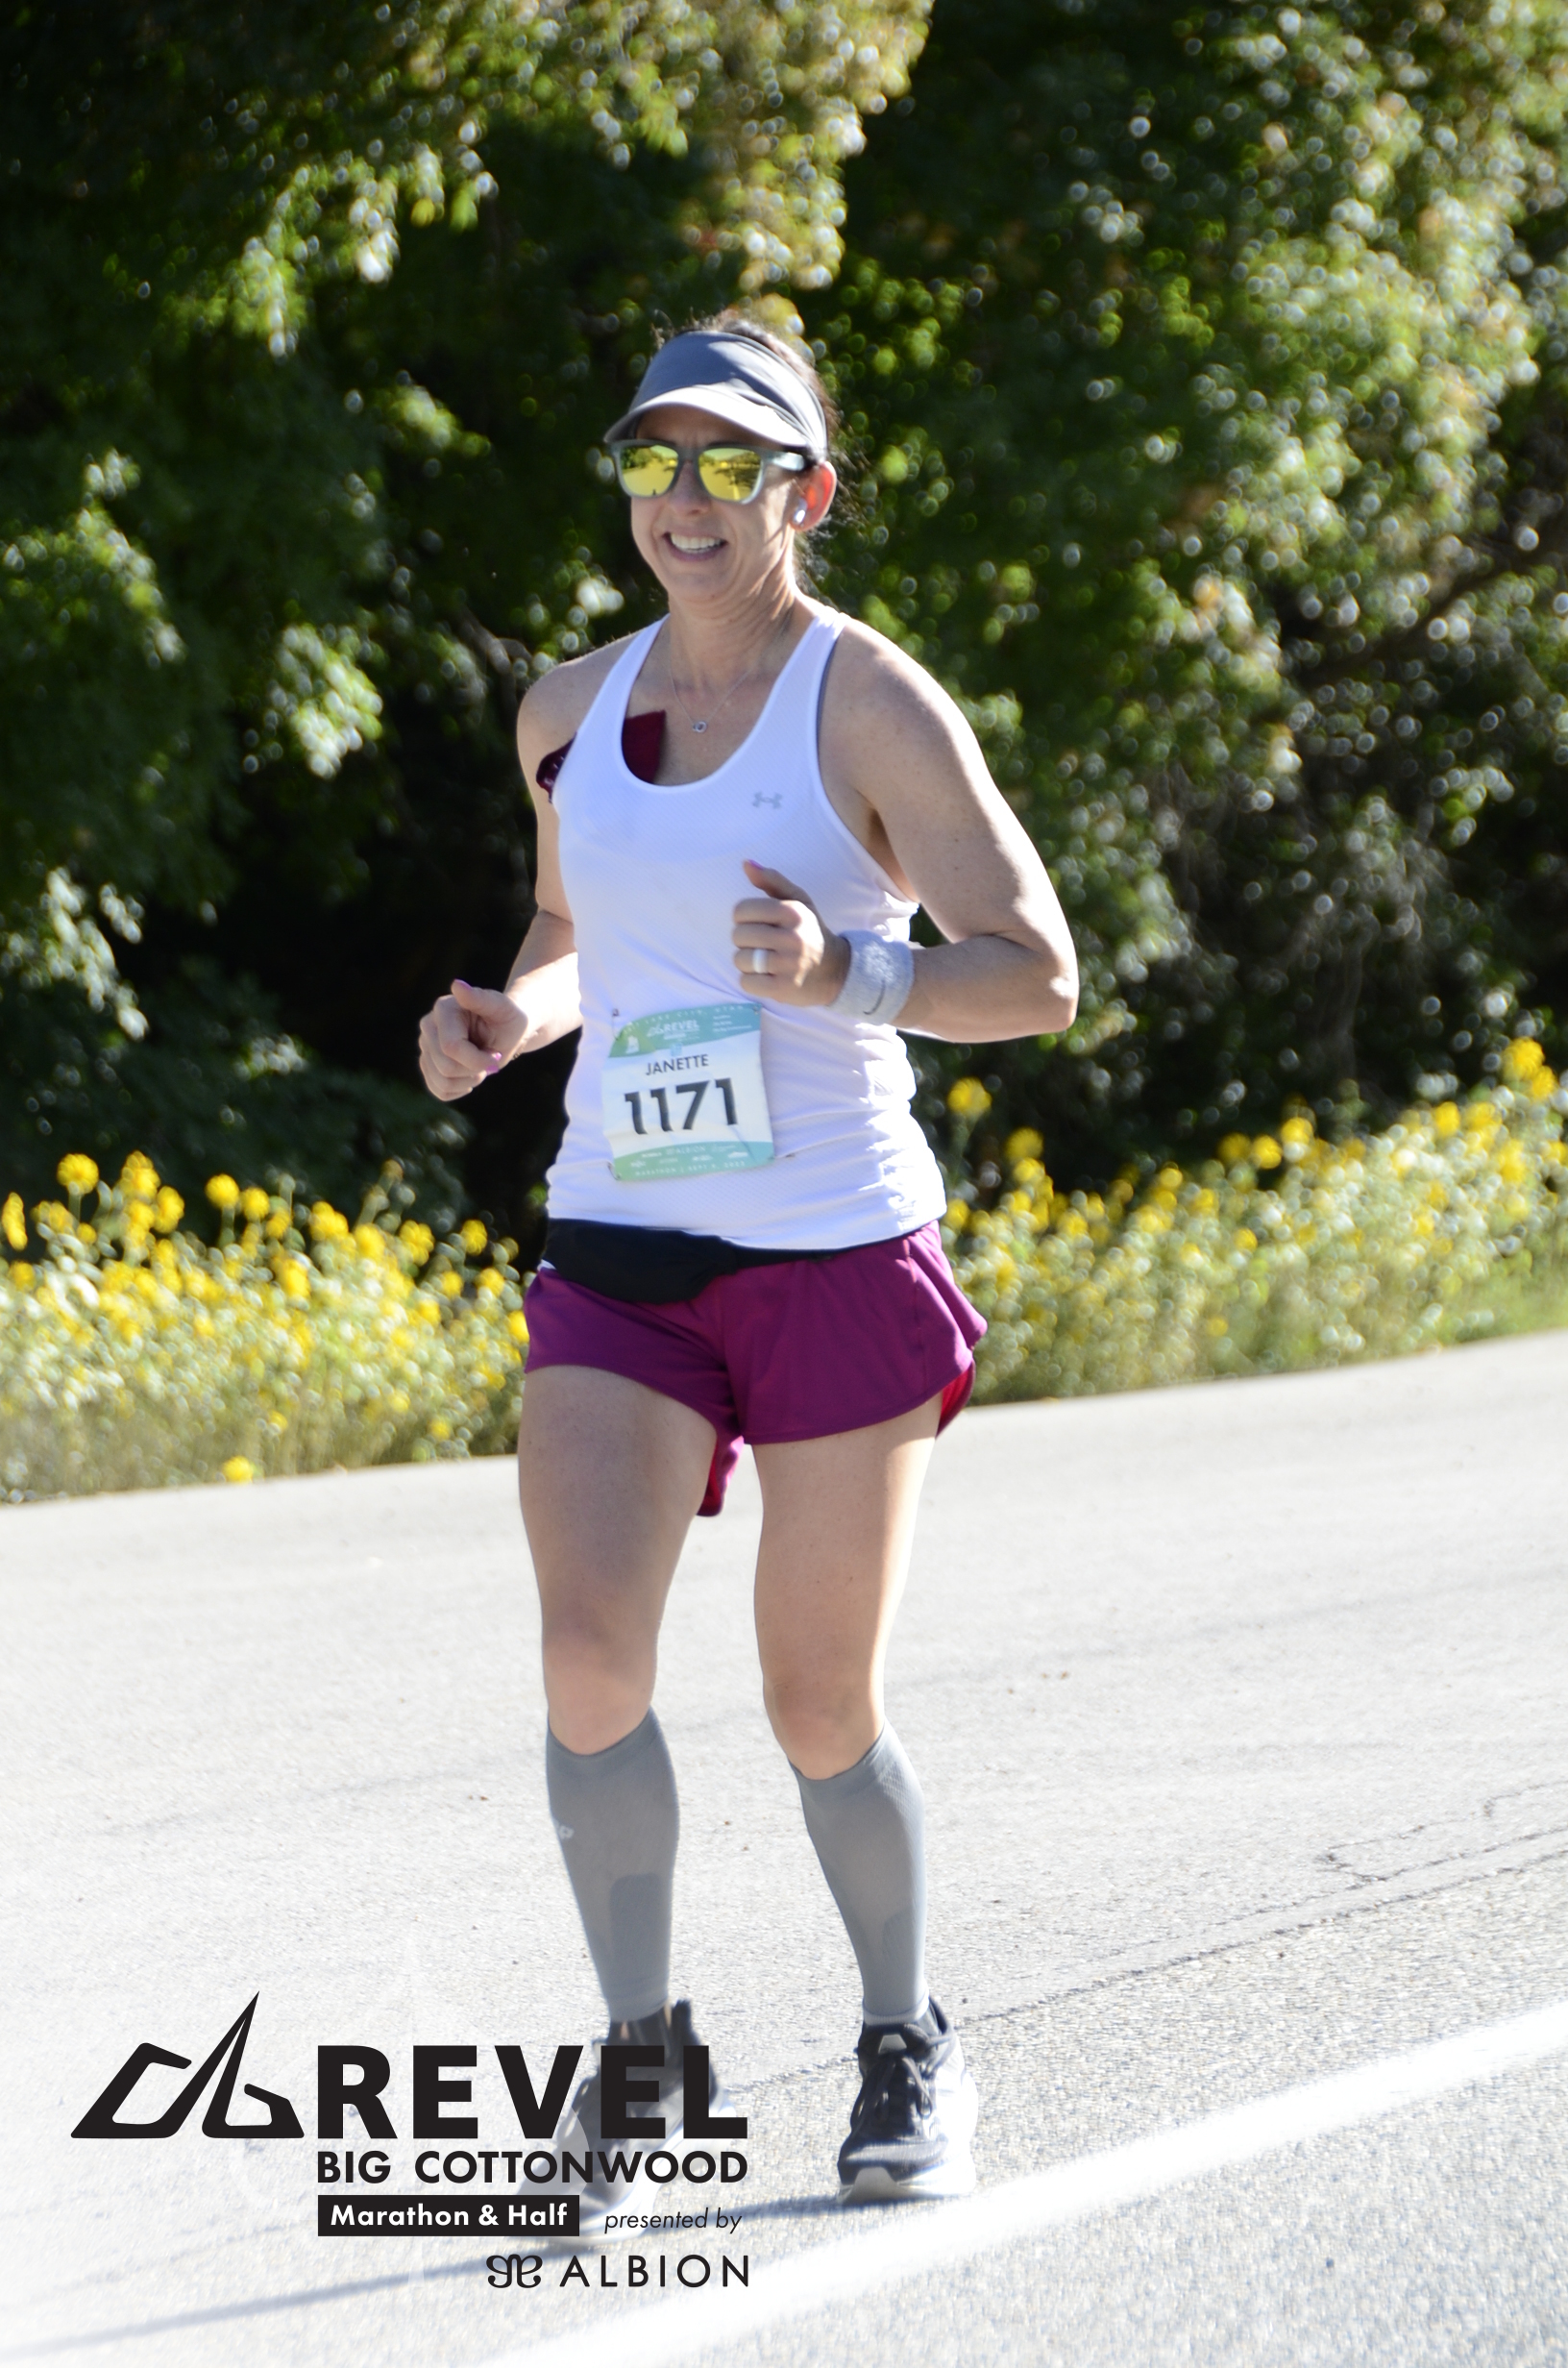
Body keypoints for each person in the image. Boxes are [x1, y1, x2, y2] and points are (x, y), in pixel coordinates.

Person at [418, 311, 1078, 2226]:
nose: (686, 499)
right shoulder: (565, 710)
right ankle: (640, 2073)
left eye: (733, 463)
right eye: (655, 459)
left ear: (809, 491)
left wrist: (849, 971)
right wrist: (513, 1017)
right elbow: (571, 930)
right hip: (622, 1235)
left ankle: (905, 2038)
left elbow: (1034, 973)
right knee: (587, 1659)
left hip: (832, 1244)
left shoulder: (870, 704)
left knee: (816, 1702)